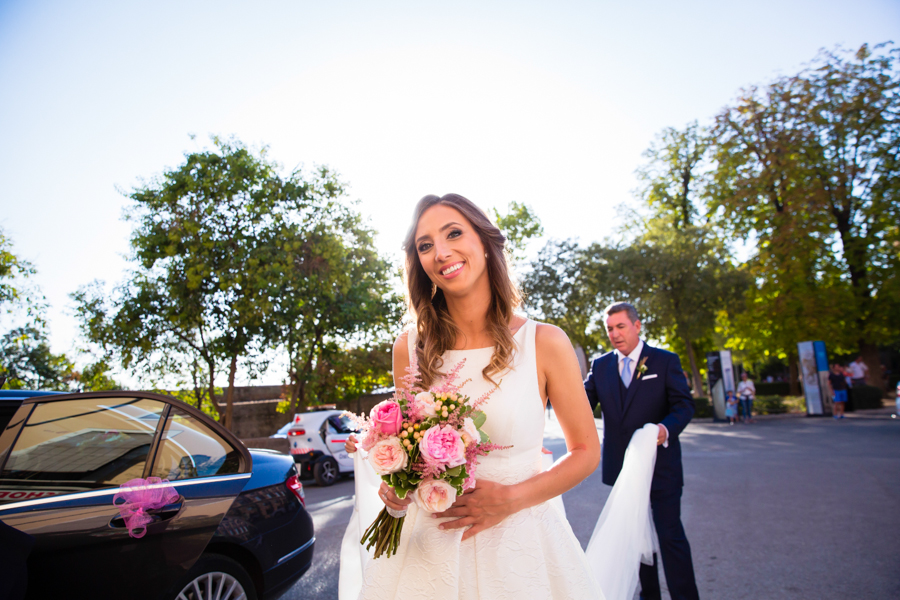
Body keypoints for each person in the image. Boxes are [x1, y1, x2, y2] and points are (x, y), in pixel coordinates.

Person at [341, 194, 658, 600]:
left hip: (522, 544)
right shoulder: (410, 347)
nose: (441, 252)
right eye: (424, 245)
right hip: (432, 547)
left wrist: (509, 499)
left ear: (485, 243)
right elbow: (410, 447)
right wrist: (398, 485)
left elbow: (585, 451)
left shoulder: (545, 341)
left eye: (453, 233)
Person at [584, 302, 699, 600]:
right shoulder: (601, 365)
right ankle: (650, 596)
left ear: (637, 326)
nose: (615, 334)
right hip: (622, 467)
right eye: (610, 328)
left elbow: (684, 405)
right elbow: (581, 402)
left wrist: (664, 429)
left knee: (669, 535)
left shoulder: (664, 361)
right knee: (635, 536)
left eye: (621, 326)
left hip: (662, 467)